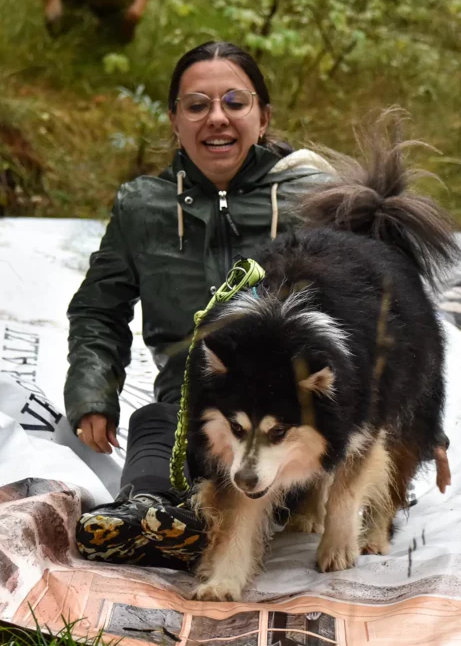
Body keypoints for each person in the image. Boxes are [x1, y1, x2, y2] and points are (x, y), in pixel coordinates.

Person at [65, 41, 333, 570]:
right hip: (189, 397)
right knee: (159, 419)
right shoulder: (142, 206)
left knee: (281, 452)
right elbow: (100, 307)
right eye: (197, 105)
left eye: (235, 102)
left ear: (263, 116)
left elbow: (381, 307)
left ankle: (200, 517)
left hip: (295, 410)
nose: (217, 118)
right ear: (174, 119)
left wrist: (418, 424)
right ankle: (148, 511)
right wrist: (92, 391)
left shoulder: (315, 197)